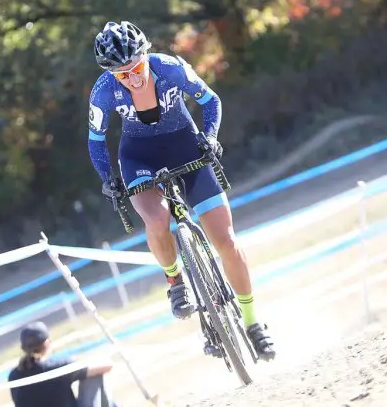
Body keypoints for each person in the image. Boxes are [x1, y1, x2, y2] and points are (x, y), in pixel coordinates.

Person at [87, 21, 275, 361]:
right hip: (137, 156)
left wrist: (211, 136)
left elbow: (211, 100)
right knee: (157, 220)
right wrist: (108, 177)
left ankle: (252, 323)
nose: (132, 78)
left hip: (185, 144)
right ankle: (175, 282)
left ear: (146, 56)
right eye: (122, 75)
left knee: (227, 242)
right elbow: (96, 140)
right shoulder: (103, 90)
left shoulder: (171, 68)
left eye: (135, 68)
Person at [8, 321, 117, 407]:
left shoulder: (13, 376)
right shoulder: (58, 367)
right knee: (94, 375)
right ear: (47, 343)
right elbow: (107, 365)